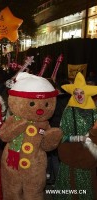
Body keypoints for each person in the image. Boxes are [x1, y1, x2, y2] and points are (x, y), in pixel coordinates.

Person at [55, 72, 97, 200]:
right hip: (71, 157)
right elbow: (62, 137)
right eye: (76, 93)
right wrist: (79, 139)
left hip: (88, 157)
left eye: (82, 93)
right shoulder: (68, 112)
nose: (79, 96)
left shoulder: (94, 112)